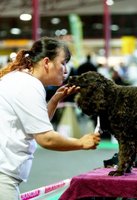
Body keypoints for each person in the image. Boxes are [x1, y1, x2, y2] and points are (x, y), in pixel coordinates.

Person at [0, 37, 101, 200]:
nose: (66, 70)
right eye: (63, 63)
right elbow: (45, 138)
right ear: (47, 62)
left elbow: (34, 126)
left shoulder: (20, 79)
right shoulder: (28, 86)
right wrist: (81, 143)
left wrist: (54, 101)